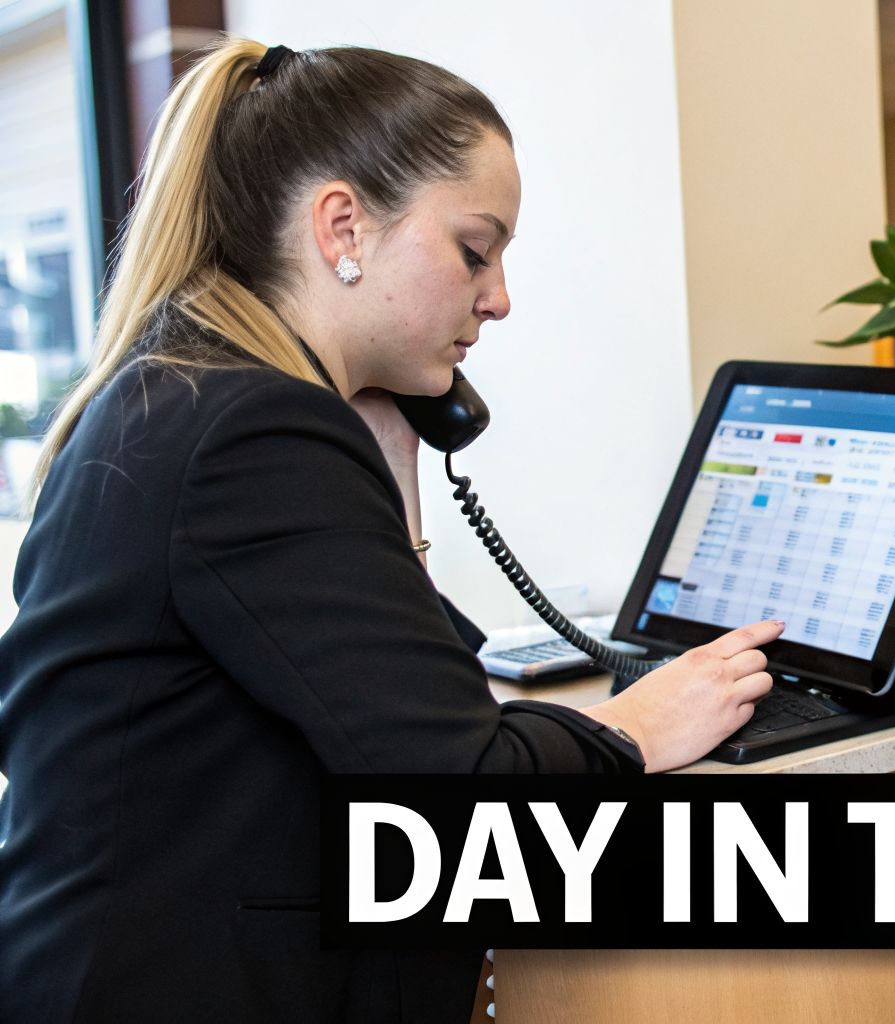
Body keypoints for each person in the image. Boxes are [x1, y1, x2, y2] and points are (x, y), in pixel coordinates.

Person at [0, 40, 778, 1021]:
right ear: (342, 227)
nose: (497, 297)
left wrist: (395, 471)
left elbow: (378, 702)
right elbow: (462, 787)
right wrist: (633, 727)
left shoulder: (178, 390)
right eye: (473, 249)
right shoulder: (253, 431)